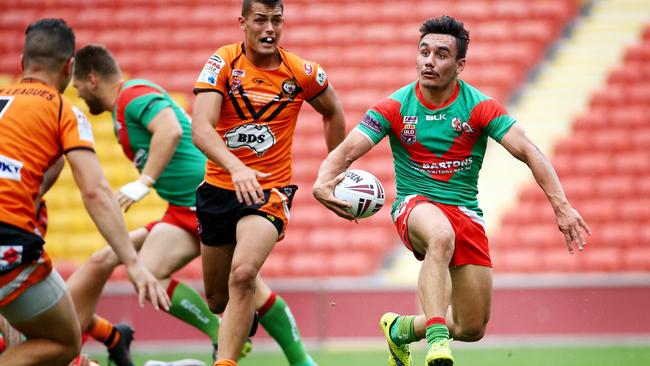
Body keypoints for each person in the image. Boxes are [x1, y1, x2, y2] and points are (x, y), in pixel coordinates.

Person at [312, 15, 592, 366]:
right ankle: (437, 344)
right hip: (414, 206)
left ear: (460, 65)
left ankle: (401, 328)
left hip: (465, 213)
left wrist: (562, 206)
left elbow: (528, 151)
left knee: (472, 327)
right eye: (424, 52)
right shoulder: (395, 106)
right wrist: (323, 182)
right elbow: (348, 150)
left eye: (441, 55)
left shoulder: (478, 106)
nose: (429, 61)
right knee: (440, 235)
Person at [72, 42, 326, 366]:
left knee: (244, 281)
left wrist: (143, 182)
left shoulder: (131, 95)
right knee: (154, 272)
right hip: (180, 207)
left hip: (201, 197)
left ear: (92, 78)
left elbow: (171, 130)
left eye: (77, 85)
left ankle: (296, 359)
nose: (77, 92)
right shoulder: (124, 107)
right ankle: (242, 338)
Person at [0, 18, 169, 366]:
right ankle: (109, 341)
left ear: (21, 62)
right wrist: (133, 264)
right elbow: (94, 191)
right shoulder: (63, 111)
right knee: (63, 340)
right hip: (8, 244)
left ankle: (111, 337)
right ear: (69, 67)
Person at [191, 0, 346, 365]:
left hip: (270, 193)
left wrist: (335, 169)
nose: (269, 29)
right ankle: (245, 313)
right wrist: (235, 167)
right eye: (260, 20)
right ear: (242, 22)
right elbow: (200, 128)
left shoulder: (303, 72)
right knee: (217, 300)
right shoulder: (223, 62)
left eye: (277, 20)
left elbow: (333, 112)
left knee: (244, 273)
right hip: (218, 190)